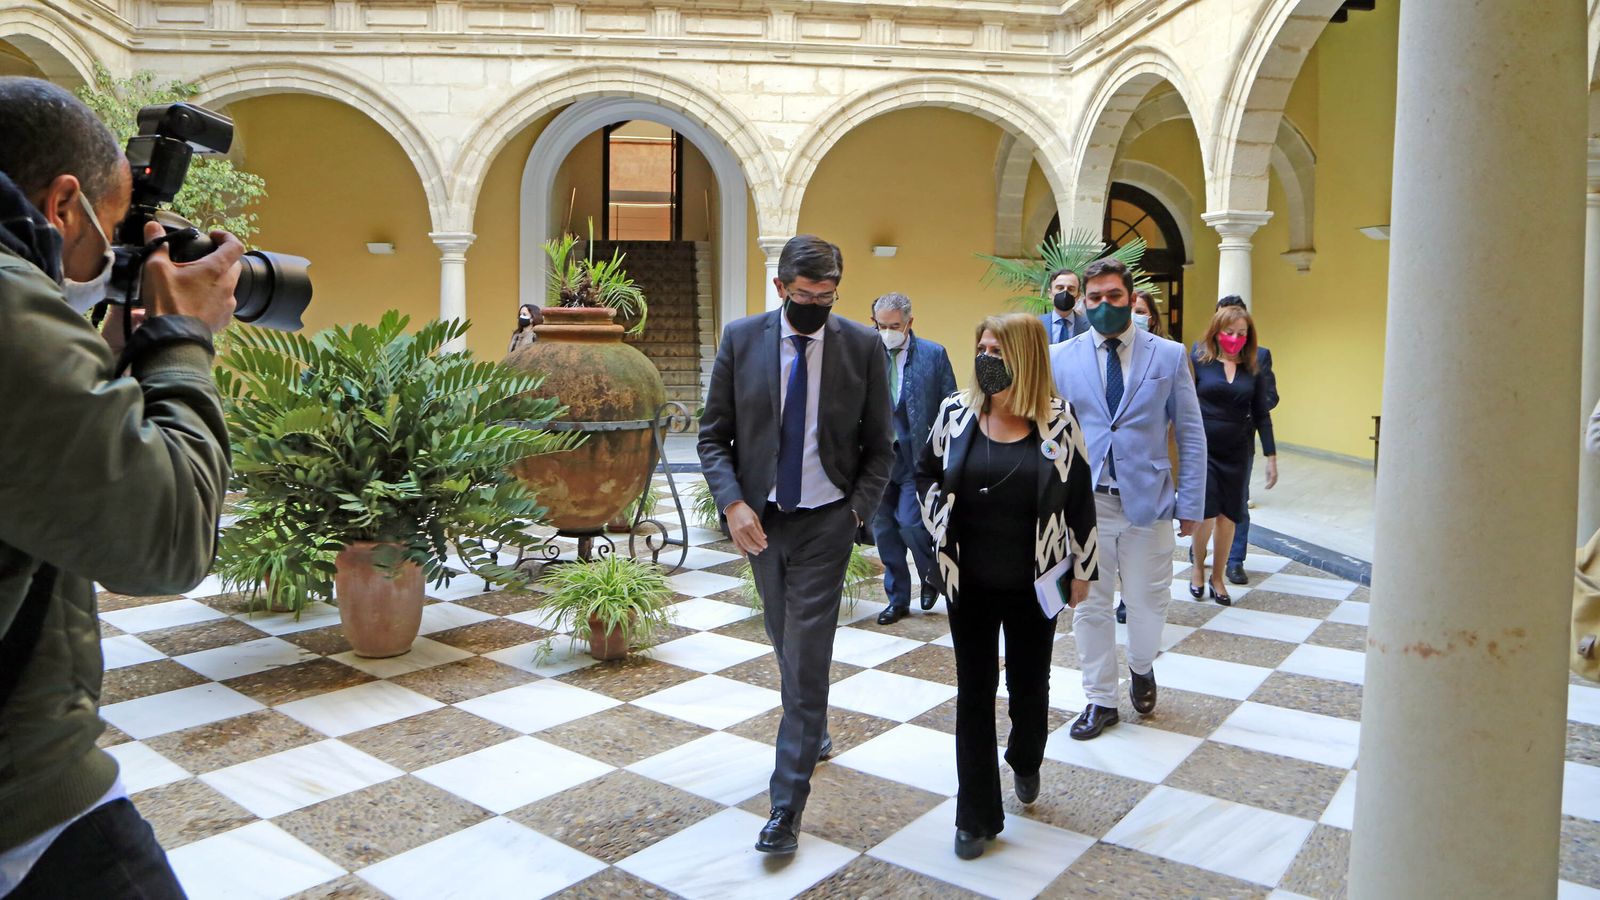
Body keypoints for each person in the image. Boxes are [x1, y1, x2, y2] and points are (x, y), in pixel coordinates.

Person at [0, 77, 241, 897]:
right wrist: (180, 341)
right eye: (107, 240)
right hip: (24, 805)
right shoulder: (4, 302)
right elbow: (162, 538)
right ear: (63, 205)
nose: (107, 266)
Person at [698, 234, 893, 855]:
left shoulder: (860, 347)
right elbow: (713, 437)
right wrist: (732, 504)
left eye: (827, 296)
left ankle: (786, 807)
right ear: (782, 288)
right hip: (762, 522)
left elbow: (881, 448)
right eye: (805, 295)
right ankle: (814, 728)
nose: (816, 305)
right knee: (784, 637)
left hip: (825, 524)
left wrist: (853, 515)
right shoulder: (742, 339)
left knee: (807, 656)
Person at [916, 313, 1097, 859]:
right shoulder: (955, 413)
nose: (986, 359)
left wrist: (1083, 571)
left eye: (998, 350)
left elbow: (1081, 501)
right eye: (983, 348)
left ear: (1026, 357)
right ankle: (975, 817)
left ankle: (1025, 757)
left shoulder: (1059, 423)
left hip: (1033, 581)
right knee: (973, 694)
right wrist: (937, 519)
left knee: (1028, 685)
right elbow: (923, 471)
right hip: (966, 577)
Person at [1049, 257, 1205, 741]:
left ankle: (1141, 666)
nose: (1103, 305)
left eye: (1113, 296)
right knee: (1090, 606)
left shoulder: (1168, 354)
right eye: (1093, 298)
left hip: (1149, 501)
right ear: (1082, 300)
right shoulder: (1062, 357)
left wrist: (1192, 503)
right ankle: (1100, 699)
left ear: (1129, 296)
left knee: (1146, 601)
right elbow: (1049, 434)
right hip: (1085, 503)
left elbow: (1191, 431)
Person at [870, 292, 957, 625]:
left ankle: (931, 575)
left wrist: (946, 458)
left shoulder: (933, 355)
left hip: (916, 457)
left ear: (909, 323)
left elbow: (950, 406)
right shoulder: (867, 353)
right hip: (877, 460)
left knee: (910, 523)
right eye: (882, 325)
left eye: (895, 325)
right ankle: (897, 599)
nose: (888, 331)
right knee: (885, 531)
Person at [1189, 304, 1278, 604]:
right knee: (1206, 514)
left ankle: (1218, 576)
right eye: (1229, 332)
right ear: (1217, 332)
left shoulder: (1252, 366)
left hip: (1237, 451)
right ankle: (1197, 568)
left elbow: (1262, 413)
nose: (1235, 338)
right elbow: (1185, 403)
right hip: (1205, 450)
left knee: (1229, 516)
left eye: (1242, 333)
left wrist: (1271, 456)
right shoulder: (1200, 359)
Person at [1211, 295, 1279, 585]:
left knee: (1236, 501)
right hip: (1208, 440)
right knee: (1205, 501)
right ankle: (1200, 556)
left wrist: (1246, 409)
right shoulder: (1200, 354)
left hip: (1240, 441)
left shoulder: (1259, 356)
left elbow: (1270, 397)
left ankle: (1235, 560)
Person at [1037, 267, 1088, 344]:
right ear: (1050, 294)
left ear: (1078, 296)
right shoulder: (1036, 325)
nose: (1065, 292)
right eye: (1060, 288)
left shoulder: (1090, 326)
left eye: (1071, 289)